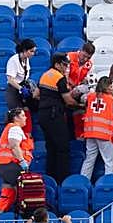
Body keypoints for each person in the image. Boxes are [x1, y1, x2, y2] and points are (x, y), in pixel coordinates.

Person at [37, 54, 77, 183]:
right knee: (62, 147)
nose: (66, 67)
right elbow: (68, 100)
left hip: (43, 114)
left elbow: (36, 94)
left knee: (51, 147)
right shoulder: (59, 78)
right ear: (57, 64)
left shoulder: (45, 75)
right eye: (64, 65)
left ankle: (50, 179)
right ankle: (62, 180)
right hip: (54, 115)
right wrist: (80, 104)